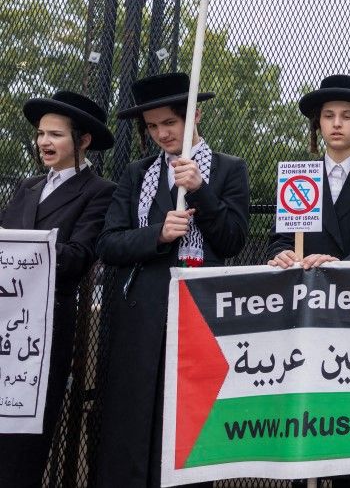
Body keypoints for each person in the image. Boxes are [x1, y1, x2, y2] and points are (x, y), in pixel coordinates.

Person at [95, 72, 250, 487]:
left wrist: (201, 190)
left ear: (194, 115)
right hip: (142, 316)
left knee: (187, 424)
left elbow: (233, 240)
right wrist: (158, 235)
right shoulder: (136, 173)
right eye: (152, 126)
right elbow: (108, 244)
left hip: (201, 316)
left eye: (170, 123)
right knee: (133, 422)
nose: (162, 133)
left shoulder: (229, 170)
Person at [267, 74, 350, 488]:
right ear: (317, 124)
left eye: (346, 116)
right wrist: (283, 252)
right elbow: (281, 236)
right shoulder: (297, 174)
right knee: (301, 417)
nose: (337, 124)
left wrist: (339, 264)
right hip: (302, 316)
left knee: (344, 425)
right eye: (328, 116)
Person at [0, 91, 116, 488]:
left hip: (45, 326)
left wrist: (24, 248)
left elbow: (77, 257)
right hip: (5, 321)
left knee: (24, 440)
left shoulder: (99, 191)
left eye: (56, 135)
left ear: (82, 141)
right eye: (40, 134)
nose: (44, 143)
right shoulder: (27, 186)